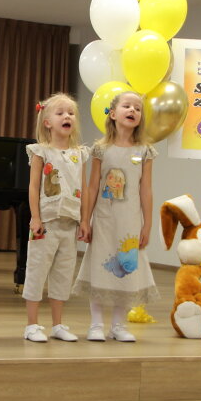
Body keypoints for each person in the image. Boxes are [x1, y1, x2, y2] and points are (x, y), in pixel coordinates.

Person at [74, 90, 158, 341]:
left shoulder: (145, 151)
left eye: (138, 108)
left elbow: (146, 190)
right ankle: (96, 324)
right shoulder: (101, 149)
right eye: (127, 106)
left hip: (130, 222)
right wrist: (85, 220)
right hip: (104, 220)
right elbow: (92, 187)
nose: (133, 111)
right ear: (112, 114)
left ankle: (118, 325)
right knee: (100, 267)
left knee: (126, 268)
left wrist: (147, 225)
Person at [22, 93, 90, 342]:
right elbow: (33, 187)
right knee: (37, 271)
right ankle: (31, 325)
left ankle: (58, 325)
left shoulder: (79, 154)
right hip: (47, 223)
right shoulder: (41, 151)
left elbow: (83, 187)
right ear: (47, 122)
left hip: (70, 223)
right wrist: (35, 217)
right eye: (60, 113)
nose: (67, 116)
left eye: (70, 113)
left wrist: (84, 220)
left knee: (63, 274)